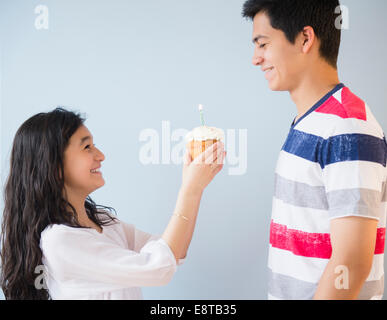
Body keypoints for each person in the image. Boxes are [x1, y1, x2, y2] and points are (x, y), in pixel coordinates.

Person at [242, 0, 387, 299]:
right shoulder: (312, 120)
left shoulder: (347, 127)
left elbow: (352, 262)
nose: (255, 59)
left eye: (263, 44)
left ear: (305, 38)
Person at [0, 107, 225, 300]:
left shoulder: (103, 221)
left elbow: (172, 252)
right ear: (54, 165)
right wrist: (190, 190)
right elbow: (158, 268)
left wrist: (195, 186)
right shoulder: (60, 240)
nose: (101, 155)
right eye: (87, 147)